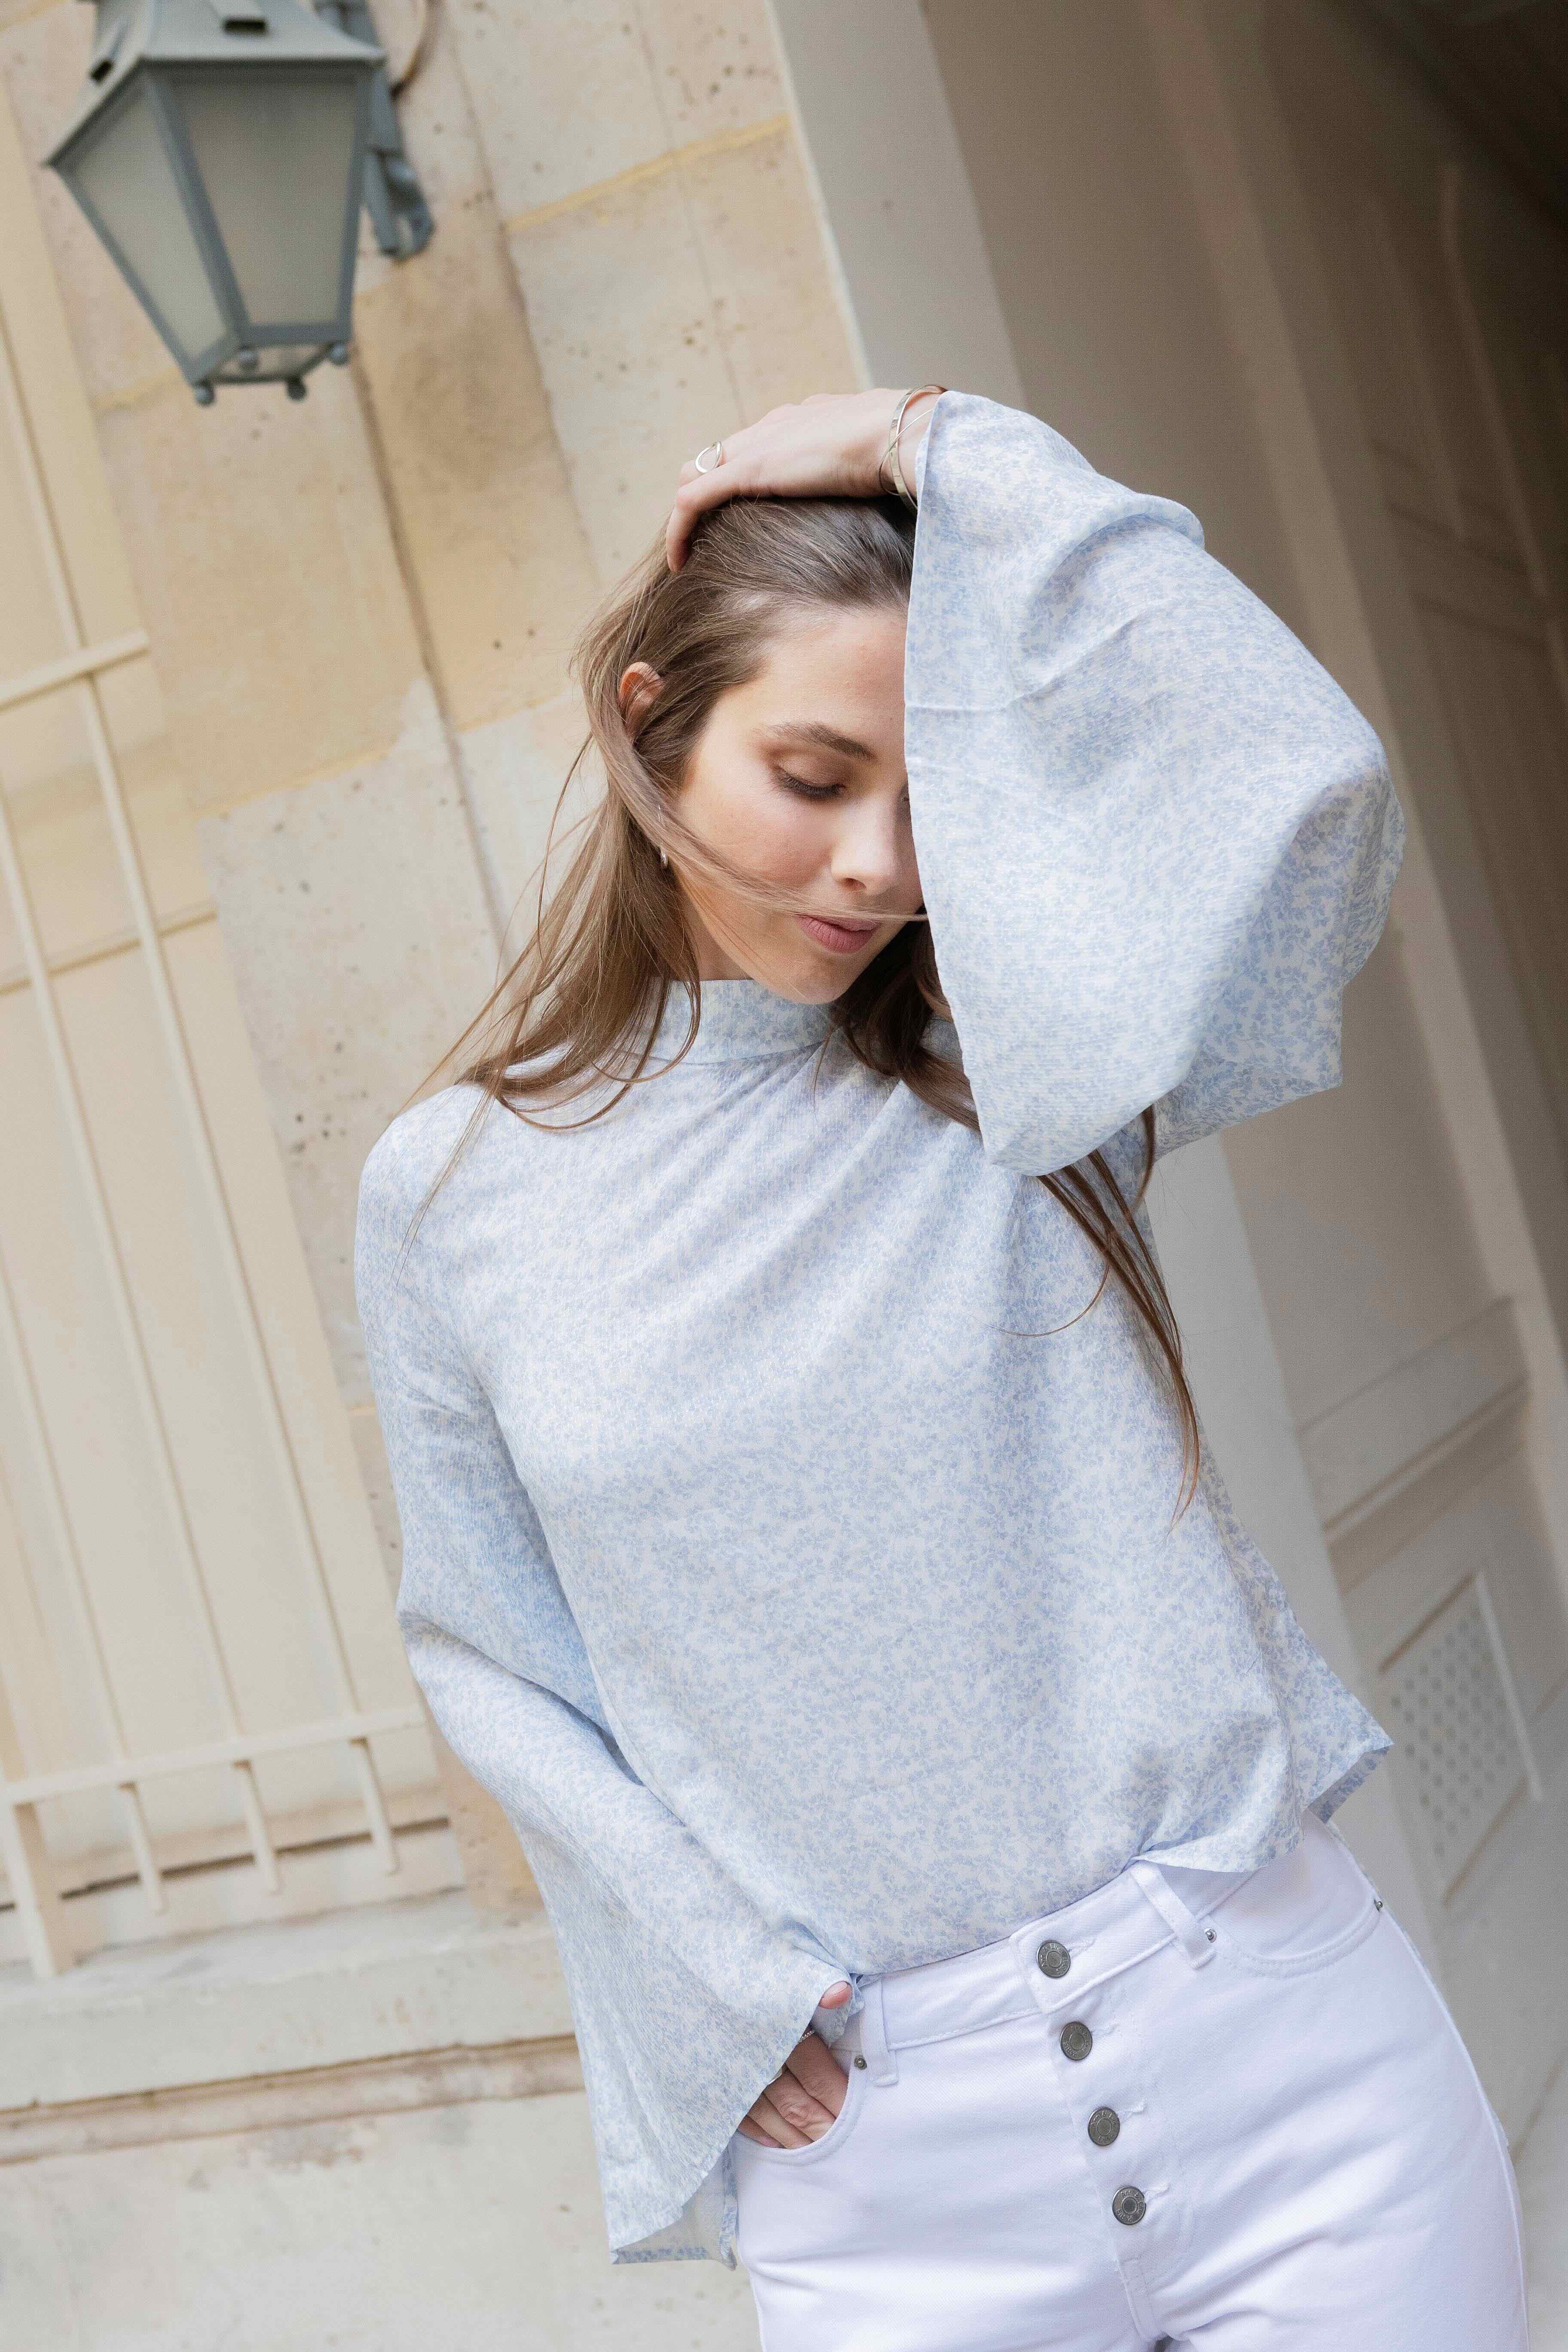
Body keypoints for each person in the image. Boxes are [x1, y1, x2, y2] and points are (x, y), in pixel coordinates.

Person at [354, 387, 1527, 2349]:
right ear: (650, 722)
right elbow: (487, 1646)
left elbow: (1306, 787)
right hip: (893, 2172)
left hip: (1285, 2063)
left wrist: (950, 447)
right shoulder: (454, 1192)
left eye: (927, 796)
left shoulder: (1021, 1055)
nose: (876, 864)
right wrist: (711, 1974)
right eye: (813, 777)